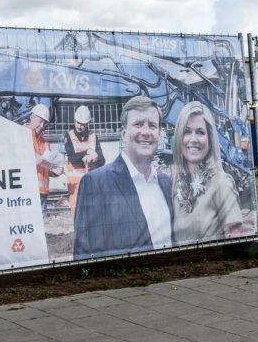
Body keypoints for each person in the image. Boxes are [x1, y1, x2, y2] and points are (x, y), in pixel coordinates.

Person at [73, 96, 173, 259]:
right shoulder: (96, 184)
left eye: (153, 126)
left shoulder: (168, 184)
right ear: (123, 133)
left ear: (159, 134)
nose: (146, 132)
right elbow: (85, 256)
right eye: (138, 124)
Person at [170, 101, 244, 244]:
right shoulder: (176, 185)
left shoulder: (221, 183)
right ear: (179, 137)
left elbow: (237, 242)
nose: (193, 139)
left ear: (210, 139)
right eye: (187, 131)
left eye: (200, 132)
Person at [64, 105, 105, 214]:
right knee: (77, 215)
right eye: (78, 122)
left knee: (92, 215)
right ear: (74, 121)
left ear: (87, 124)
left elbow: (102, 160)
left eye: (82, 124)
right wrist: (86, 152)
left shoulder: (93, 137)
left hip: (91, 184)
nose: (79, 126)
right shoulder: (69, 136)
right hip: (75, 186)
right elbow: (72, 158)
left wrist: (94, 159)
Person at [24, 103, 64, 214]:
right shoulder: (20, 134)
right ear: (32, 117)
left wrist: (55, 171)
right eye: (40, 121)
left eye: (44, 123)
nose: (42, 125)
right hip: (26, 193)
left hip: (42, 193)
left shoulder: (45, 142)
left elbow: (47, 168)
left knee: (41, 229)